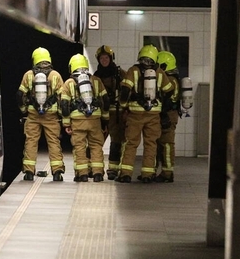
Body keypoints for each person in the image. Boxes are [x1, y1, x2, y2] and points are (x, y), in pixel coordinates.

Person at [115, 44, 175, 183]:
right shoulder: (159, 72)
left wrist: (124, 106)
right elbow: (169, 90)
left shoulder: (133, 70)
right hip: (153, 114)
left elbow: (125, 90)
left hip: (135, 114)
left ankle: (125, 174)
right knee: (151, 144)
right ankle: (148, 174)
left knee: (131, 143)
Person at [17, 47, 65, 181]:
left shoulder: (28, 75)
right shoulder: (55, 75)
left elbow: (20, 95)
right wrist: (60, 114)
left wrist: (23, 110)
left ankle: (29, 172)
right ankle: (57, 172)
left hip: (33, 115)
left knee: (31, 142)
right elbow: (62, 98)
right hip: (51, 116)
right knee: (54, 142)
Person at [60, 54, 110, 182]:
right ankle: (98, 174)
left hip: (78, 121)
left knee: (79, 147)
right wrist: (105, 121)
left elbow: (64, 106)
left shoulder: (69, 83)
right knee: (96, 146)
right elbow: (105, 101)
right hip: (94, 120)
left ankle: (82, 174)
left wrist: (66, 124)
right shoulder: (96, 80)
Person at [93, 45, 126, 179]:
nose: (104, 60)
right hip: (100, 114)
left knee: (116, 141)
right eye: (102, 58)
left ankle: (113, 169)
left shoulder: (120, 74)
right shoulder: (95, 76)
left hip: (117, 113)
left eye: (106, 57)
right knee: (96, 141)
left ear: (111, 58)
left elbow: (127, 92)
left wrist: (126, 110)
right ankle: (94, 168)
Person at [154, 51, 181, 183]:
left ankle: (167, 173)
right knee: (159, 143)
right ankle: (160, 171)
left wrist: (163, 114)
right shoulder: (172, 78)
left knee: (167, 144)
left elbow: (167, 100)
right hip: (165, 114)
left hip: (168, 115)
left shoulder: (170, 80)